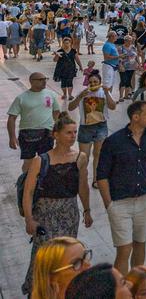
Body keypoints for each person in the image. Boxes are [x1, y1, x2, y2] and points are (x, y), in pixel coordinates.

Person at [21, 115, 92, 296]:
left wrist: (87, 210)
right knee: (43, 258)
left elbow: (83, 187)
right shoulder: (41, 161)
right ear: (56, 135)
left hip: (69, 215)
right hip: (45, 217)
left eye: (75, 132)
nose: (73, 136)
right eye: (68, 132)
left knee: (66, 257)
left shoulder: (80, 158)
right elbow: (28, 192)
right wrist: (29, 219)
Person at [96, 100, 146, 274]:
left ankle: (136, 283)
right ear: (135, 117)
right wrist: (109, 205)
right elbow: (102, 175)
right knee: (124, 249)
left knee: (140, 244)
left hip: (145, 199)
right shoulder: (113, 141)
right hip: (120, 202)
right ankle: (120, 286)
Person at [69, 70, 116, 190]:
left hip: (101, 126)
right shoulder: (83, 93)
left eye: (96, 82)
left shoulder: (104, 93)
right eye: (91, 82)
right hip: (85, 127)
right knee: (84, 156)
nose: (93, 84)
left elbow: (113, 106)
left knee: (98, 154)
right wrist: (80, 96)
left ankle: (96, 179)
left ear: (100, 82)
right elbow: (70, 107)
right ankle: (82, 179)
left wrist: (107, 93)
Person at [9, 71, 61, 172]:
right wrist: (12, 137)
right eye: (40, 80)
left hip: (47, 133)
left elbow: (56, 113)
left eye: (45, 79)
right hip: (27, 134)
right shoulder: (21, 98)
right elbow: (12, 118)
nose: (44, 81)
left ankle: (44, 180)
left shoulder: (51, 94)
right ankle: (26, 180)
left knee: (46, 160)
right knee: (29, 162)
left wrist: (58, 131)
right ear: (31, 81)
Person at [53, 37, 82, 102]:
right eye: (65, 43)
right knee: (63, 82)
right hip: (61, 69)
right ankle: (64, 94)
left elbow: (77, 59)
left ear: (70, 43)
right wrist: (57, 55)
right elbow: (55, 60)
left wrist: (80, 66)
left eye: (68, 43)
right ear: (63, 43)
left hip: (71, 69)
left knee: (70, 82)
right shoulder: (60, 51)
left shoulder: (73, 51)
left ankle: (70, 95)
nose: (66, 44)